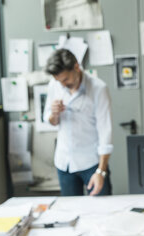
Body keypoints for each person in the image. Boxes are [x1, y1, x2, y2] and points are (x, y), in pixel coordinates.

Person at [43, 49, 113, 196]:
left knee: (102, 212)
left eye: (65, 80)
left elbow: (105, 131)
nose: (62, 85)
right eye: (59, 81)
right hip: (64, 162)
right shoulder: (54, 85)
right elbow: (50, 120)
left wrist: (101, 171)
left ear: (76, 67)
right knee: (69, 212)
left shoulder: (98, 89)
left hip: (91, 163)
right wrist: (54, 114)